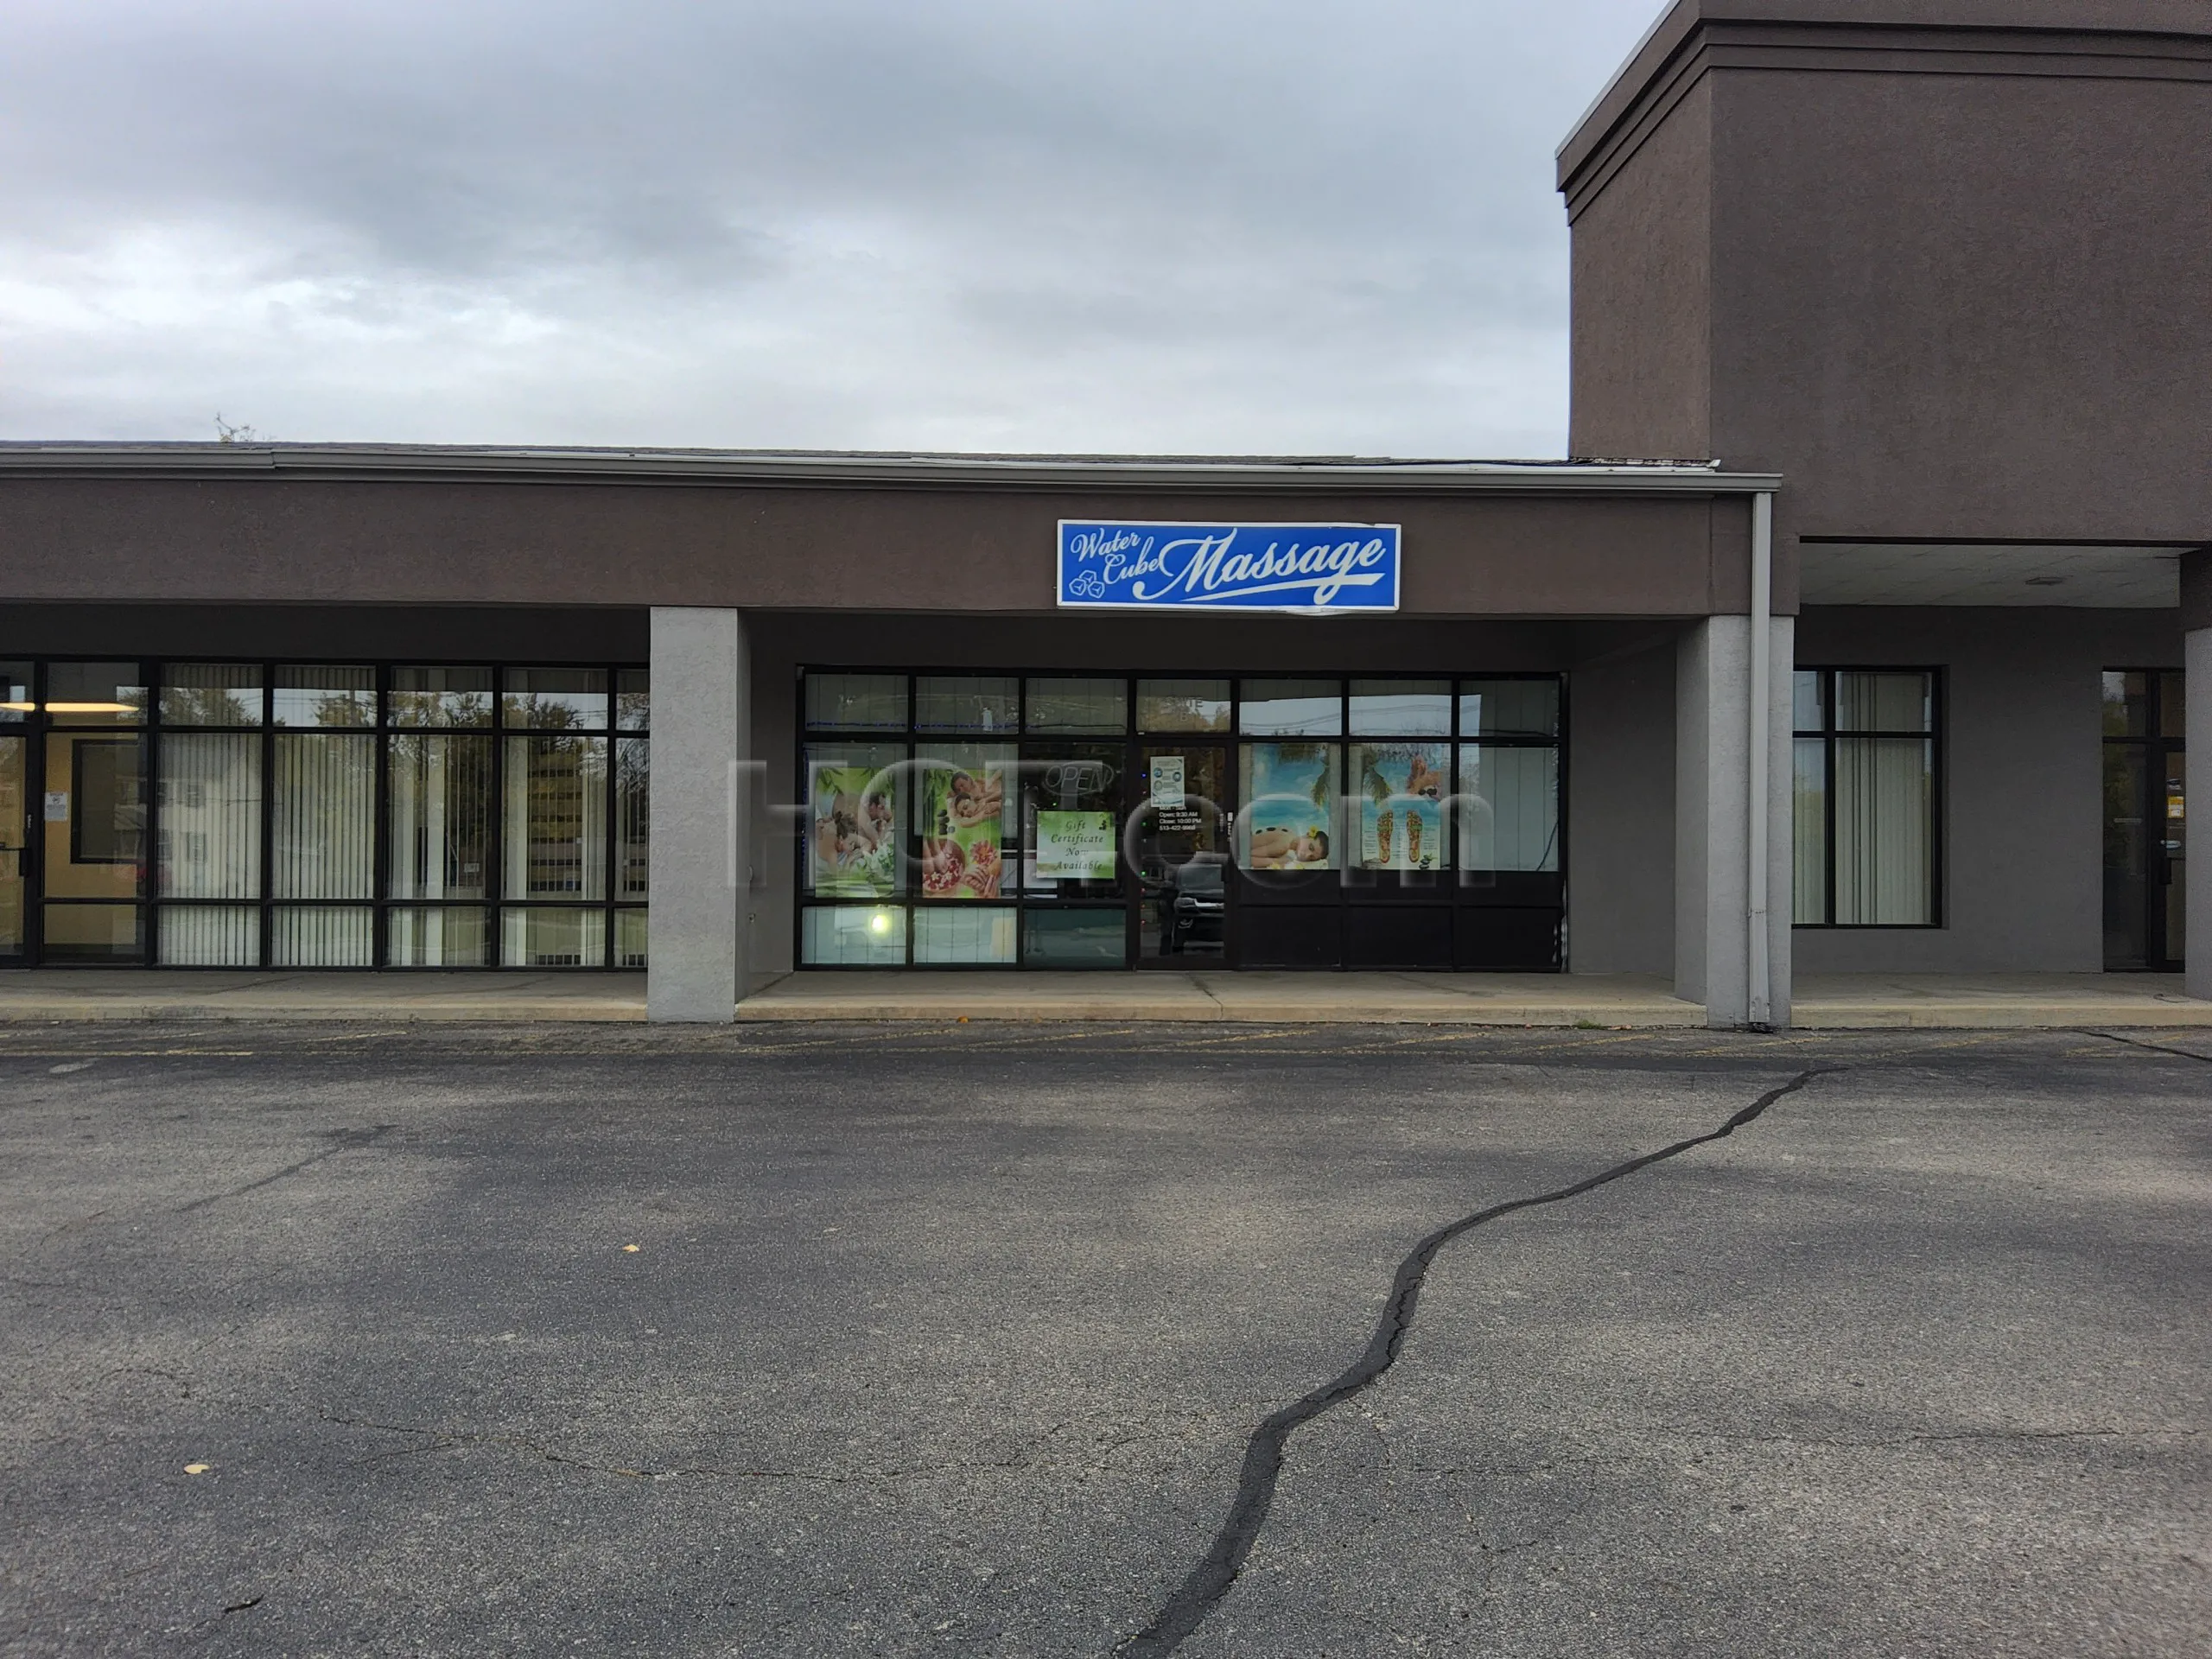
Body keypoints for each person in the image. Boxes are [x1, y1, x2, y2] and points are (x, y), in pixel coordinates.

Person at [1247, 826, 1328, 868]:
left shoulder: (1291, 835)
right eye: (1310, 847)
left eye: (1311, 858)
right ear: (1307, 834)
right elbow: (1247, 858)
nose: (1306, 855)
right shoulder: (1284, 845)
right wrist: (1278, 862)